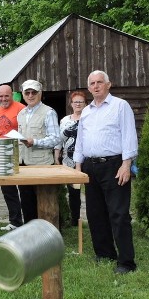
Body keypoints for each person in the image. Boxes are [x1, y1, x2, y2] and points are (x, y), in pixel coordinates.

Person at [72, 70, 139, 274]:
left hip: (114, 165)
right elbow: (81, 140)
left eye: (100, 82)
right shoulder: (87, 111)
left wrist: (126, 164)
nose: (96, 86)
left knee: (118, 214)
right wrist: (78, 166)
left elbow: (129, 135)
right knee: (95, 213)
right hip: (91, 166)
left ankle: (126, 262)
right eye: (92, 83)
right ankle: (104, 253)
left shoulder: (120, 106)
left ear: (108, 84)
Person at [17, 79, 61, 224]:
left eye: (34, 92)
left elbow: (55, 139)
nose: (30, 95)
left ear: (40, 93)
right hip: (23, 165)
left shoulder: (49, 112)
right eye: (27, 92)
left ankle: (49, 237)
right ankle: (30, 237)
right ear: (23, 94)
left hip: (42, 166)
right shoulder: (21, 113)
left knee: (46, 205)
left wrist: (35, 142)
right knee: (27, 205)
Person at [0, 84, 25, 231]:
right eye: (0, 96)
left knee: (24, 189)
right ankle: (15, 222)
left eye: (6, 96)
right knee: (8, 190)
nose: (3, 99)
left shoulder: (21, 108)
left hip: (17, 153)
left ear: (12, 95)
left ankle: (29, 220)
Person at [60, 90, 88, 227]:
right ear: (71, 104)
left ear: (85, 104)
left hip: (86, 160)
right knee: (73, 191)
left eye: (80, 102)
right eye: (75, 101)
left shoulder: (89, 118)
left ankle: (95, 217)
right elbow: (60, 141)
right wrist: (56, 157)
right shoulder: (65, 121)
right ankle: (75, 219)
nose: (78, 104)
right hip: (68, 161)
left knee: (91, 190)